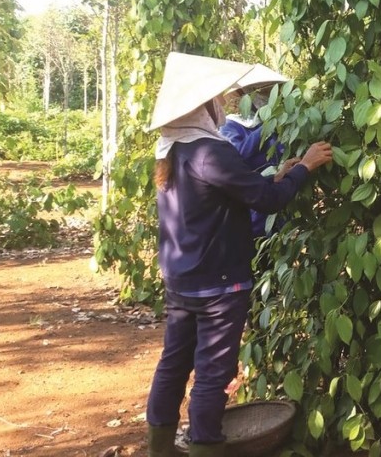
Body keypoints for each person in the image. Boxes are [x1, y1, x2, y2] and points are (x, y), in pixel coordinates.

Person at [144, 52, 334, 457]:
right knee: (213, 372)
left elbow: (232, 193)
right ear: (202, 105)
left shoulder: (171, 150)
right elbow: (265, 201)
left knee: (173, 365)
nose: (223, 105)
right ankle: (205, 447)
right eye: (216, 99)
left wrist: (283, 173)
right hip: (218, 284)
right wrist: (306, 167)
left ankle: (158, 450)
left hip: (181, 281)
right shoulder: (210, 151)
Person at [219, 86, 284, 240]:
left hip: (277, 191)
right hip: (255, 198)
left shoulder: (263, 121)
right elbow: (238, 154)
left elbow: (280, 150)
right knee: (261, 243)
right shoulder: (229, 125)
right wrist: (265, 128)